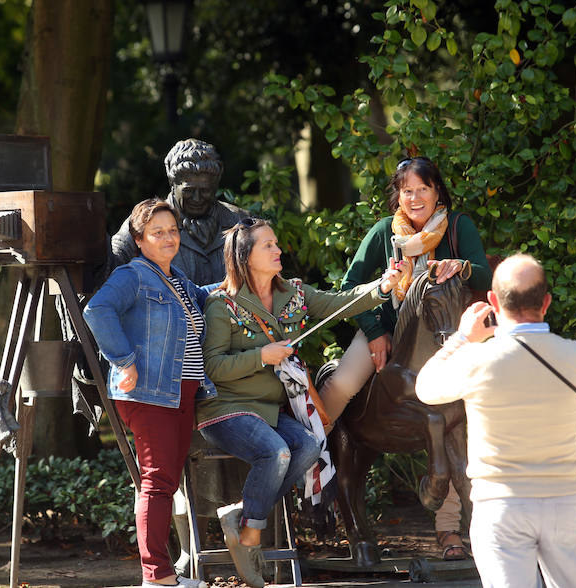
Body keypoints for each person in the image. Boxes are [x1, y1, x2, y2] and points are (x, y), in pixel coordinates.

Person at [197, 218, 403, 588]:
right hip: (226, 410)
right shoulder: (220, 304)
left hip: (271, 410)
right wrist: (263, 355)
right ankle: (249, 536)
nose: (279, 251)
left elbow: (341, 304)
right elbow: (212, 366)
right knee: (277, 453)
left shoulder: (294, 293)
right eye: (269, 246)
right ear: (245, 256)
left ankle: (246, 514)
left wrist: (382, 286)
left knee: (309, 446)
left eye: (277, 244)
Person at [318, 155, 492, 560]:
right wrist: (376, 333)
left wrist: (462, 266)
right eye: (406, 190)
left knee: (460, 420)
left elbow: (483, 275)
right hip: (388, 332)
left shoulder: (459, 227)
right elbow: (349, 286)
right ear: (398, 195)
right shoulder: (384, 232)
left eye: (422, 190)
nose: (414, 198)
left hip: (448, 337)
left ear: (437, 192)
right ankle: (311, 454)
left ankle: (450, 531)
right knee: (342, 383)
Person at [415, 253, 576, 587]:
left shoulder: (477, 359)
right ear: (546, 302)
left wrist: (462, 338)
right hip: (564, 501)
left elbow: (426, 388)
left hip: (500, 505)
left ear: (492, 302)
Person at [83, 198, 213, 588]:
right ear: (139, 239)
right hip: (147, 392)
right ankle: (156, 578)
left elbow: (209, 296)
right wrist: (124, 360)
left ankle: (165, 574)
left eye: (173, 230)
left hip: (179, 392)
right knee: (157, 482)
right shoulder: (134, 275)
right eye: (158, 232)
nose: (169, 237)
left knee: (167, 482)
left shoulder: (175, 278)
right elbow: (97, 310)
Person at [113, 138, 247, 284]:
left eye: (205, 191)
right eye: (188, 191)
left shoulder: (240, 221)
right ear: (173, 184)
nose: (197, 198)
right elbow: (114, 260)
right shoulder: (144, 220)